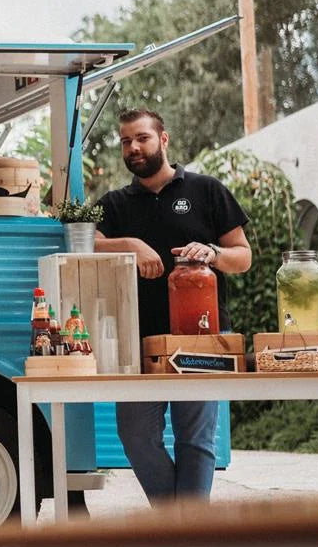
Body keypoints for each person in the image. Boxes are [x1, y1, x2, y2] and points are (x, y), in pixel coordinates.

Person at [94, 108, 252, 505]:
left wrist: (213, 253)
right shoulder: (115, 204)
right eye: (126, 141)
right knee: (135, 436)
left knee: (196, 439)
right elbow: (84, 242)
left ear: (163, 140)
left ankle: (186, 539)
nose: (133, 147)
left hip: (201, 338)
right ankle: (180, 528)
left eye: (142, 138)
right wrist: (128, 243)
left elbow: (243, 256)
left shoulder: (206, 190)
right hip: (136, 340)